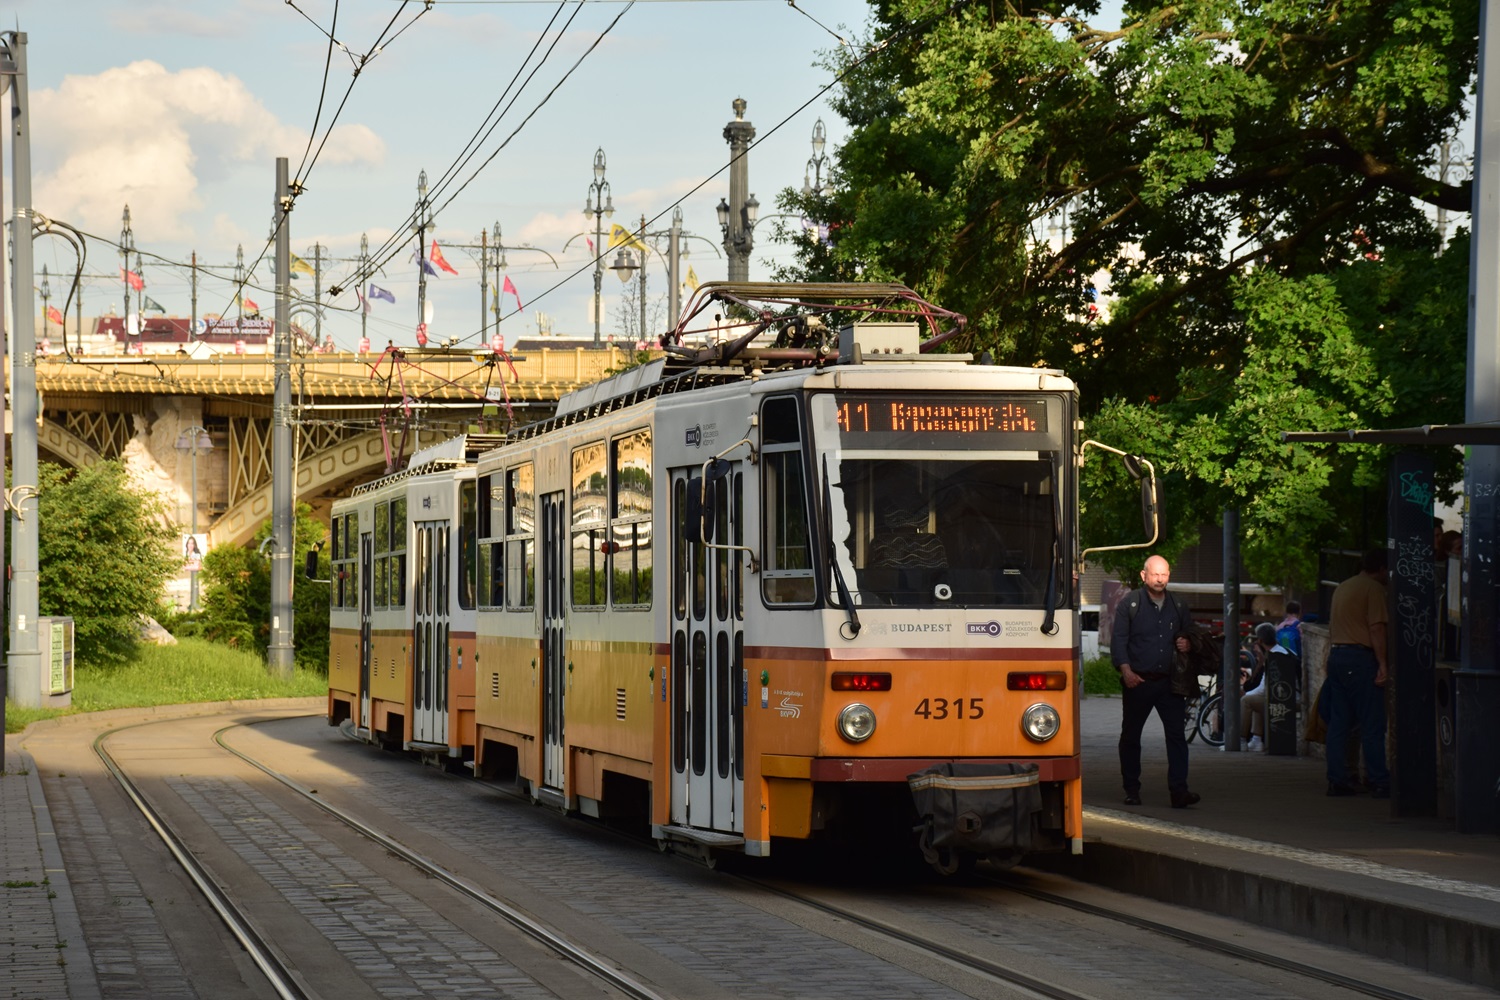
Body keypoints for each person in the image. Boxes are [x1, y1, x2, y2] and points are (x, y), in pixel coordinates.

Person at [1111, 555, 1200, 808]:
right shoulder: (1130, 603)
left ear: (1169, 576)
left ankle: (1179, 791)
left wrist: (1189, 642)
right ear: (1144, 576)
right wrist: (1126, 672)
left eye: (1164, 574)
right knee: (1130, 737)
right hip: (1138, 681)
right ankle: (1132, 789)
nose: (1160, 579)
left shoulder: (1179, 605)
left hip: (1170, 683)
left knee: (1176, 738)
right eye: (1155, 574)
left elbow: (1192, 634)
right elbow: (1119, 640)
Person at [1325, 548, 1390, 798]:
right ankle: (1378, 779)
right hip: (1360, 659)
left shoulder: (1344, 587)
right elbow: (1376, 629)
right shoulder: (1373, 589)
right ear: (1382, 568)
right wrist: (1383, 664)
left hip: (1338, 657)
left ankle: (1337, 778)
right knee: (1372, 723)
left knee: (1339, 723)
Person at [1241, 622, 1279, 750]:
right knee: (1256, 699)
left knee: (1247, 700)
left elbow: (1263, 689)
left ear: (1260, 640)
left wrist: (1245, 693)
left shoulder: (1272, 657)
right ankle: (1256, 740)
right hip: (1284, 697)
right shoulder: (1279, 651)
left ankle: (1240, 740)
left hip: (1278, 701)